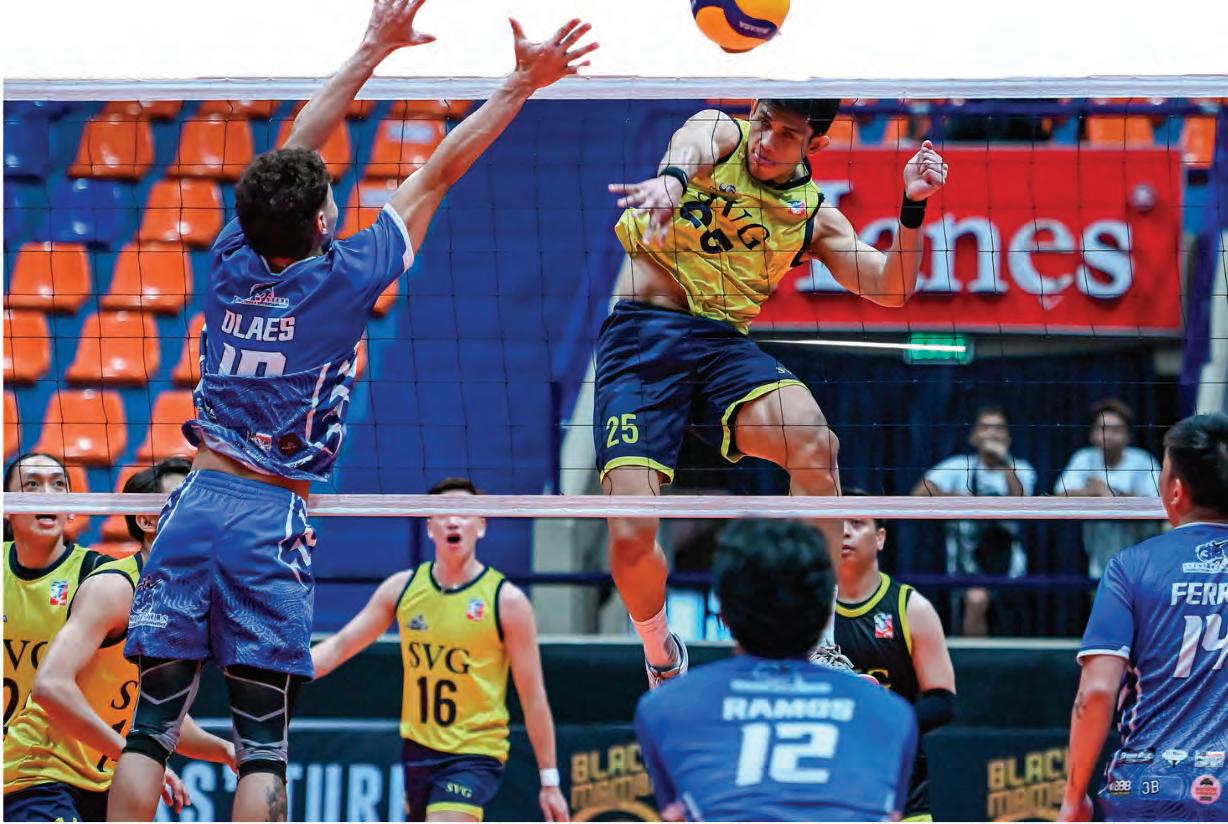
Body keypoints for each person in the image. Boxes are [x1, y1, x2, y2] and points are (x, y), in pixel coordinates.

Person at [106, 2, 598, 818]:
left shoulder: (229, 255)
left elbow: (293, 148)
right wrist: (519, 84)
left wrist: (369, 49)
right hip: (269, 513)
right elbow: (435, 173)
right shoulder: (347, 274)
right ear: (323, 220)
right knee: (263, 743)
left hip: (192, 500)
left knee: (151, 726)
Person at [600, 99, 949, 686]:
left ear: (816, 145)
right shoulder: (722, 132)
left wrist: (912, 205)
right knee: (631, 534)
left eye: (787, 134)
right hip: (642, 339)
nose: (765, 139)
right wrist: (672, 181)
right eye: (764, 120)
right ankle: (661, 652)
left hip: (721, 348)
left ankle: (819, 642)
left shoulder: (812, 216)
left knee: (814, 443)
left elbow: (891, 287)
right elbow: (693, 144)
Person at [311, 478, 568, 822]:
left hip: (475, 751)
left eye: (464, 513)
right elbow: (340, 645)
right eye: (444, 513)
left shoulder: (507, 601)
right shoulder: (401, 589)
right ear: (430, 527)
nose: (453, 521)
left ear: (482, 525)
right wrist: (283, 672)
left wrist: (550, 780)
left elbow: (533, 696)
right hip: (418, 750)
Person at [634, 519, 919, 822]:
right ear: (827, 609)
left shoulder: (662, 710)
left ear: (723, 614)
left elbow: (677, 815)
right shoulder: (893, 716)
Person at [4, 458, 234, 821]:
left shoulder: (179, 600)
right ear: (146, 520)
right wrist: (131, 755)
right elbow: (50, 686)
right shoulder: (114, 587)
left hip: (100, 779)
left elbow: (155, 711)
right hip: (39, 772)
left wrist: (226, 751)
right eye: (183, 500)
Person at [1059, 413, 1228, 822]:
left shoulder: (1130, 567)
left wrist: (1074, 794)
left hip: (1147, 788)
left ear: (1175, 490)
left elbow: (1098, 690)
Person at [830, 490, 956, 822]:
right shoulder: (809, 609)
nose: (845, 532)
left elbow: (942, 702)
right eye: (837, 524)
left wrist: (883, 719)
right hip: (832, 780)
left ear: (881, 537)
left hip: (901, 784)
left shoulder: (911, 607)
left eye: (857, 523)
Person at [911, 405, 1037, 637]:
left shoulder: (1022, 468)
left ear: (1008, 437)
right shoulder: (957, 466)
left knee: (1010, 619)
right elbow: (919, 494)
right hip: (966, 563)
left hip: (1009, 564)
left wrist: (1003, 462)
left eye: (999, 428)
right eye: (986, 427)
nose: (992, 434)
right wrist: (958, 500)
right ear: (973, 436)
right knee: (976, 599)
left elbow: (1020, 501)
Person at [2, 453, 100, 736]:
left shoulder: (99, 576)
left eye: (58, 485)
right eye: (32, 484)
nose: (47, 494)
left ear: (72, 510)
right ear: (7, 506)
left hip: (63, 752)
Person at [1054, 398, 1164, 578]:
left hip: (1142, 555)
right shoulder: (1083, 458)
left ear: (1128, 436)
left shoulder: (1143, 461)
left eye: (1116, 430)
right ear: (1092, 434)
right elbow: (1060, 495)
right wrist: (1096, 493)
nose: (1108, 435)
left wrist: (1107, 493)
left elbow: (1157, 503)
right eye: (1102, 428)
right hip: (1098, 556)